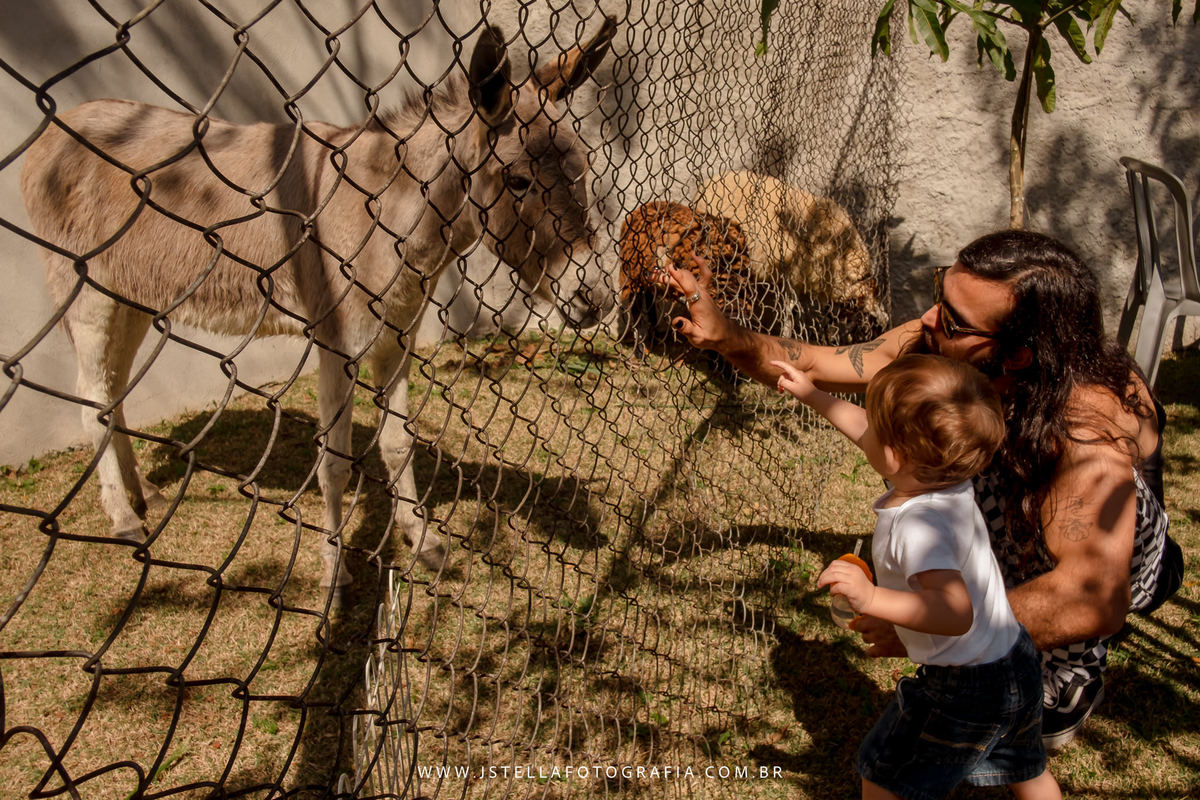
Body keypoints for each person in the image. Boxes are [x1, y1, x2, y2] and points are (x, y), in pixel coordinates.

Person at [658, 229, 1179, 750]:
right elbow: (814, 364)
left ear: (1018, 356)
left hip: (1128, 567)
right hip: (1022, 532)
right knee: (928, 443)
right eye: (940, 295)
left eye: (952, 319)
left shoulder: (1085, 429)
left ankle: (1068, 684)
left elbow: (1090, 599)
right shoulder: (945, 345)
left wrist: (922, 630)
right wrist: (725, 334)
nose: (929, 320)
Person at [775, 353, 1060, 799]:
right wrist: (813, 395)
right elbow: (869, 433)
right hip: (1012, 657)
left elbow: (953, 611)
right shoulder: (945, 477)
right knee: (1026, 769)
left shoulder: (919, 525)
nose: (865, 430)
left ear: (894, 455)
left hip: (965, 689)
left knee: (885, 775)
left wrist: (872, 599)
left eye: (876, 427)